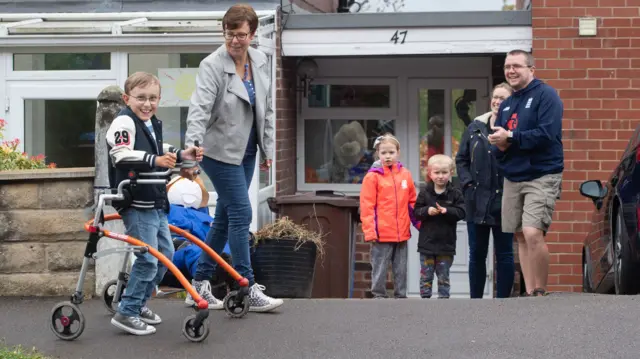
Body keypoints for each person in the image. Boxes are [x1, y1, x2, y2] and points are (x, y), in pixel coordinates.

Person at [182, 4, 282, 312]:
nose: (235, 41)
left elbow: (266, 111)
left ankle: (197, 285)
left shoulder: (260, 61)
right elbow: (198, 110)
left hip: (248, 151)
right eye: (229, 34)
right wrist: (191, 153)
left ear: (252, 35)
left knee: (224, 221)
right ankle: (246, 285)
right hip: (218, 151)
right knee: (241, 213)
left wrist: (267, 150)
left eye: (241, 35)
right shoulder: (212, 65)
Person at [106, 71, 203, 336]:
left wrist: (183, 155)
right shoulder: (123, 122)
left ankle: (137, 303)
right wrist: (155, 161)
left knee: (165, 255)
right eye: (141, 98)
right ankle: (127, 312)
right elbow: (121, 154)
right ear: (127, 98)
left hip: (155, 200)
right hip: (136, 200)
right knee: (148, 259)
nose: (147, 104)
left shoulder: (150, 123)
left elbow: (161, 148)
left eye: (153, 98)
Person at [488, 49, 564, 297]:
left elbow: (547, 134)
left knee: (533, 232)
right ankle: (530, 291)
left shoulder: (546, 95)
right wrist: (500, 145)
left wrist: (510, 136)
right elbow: (506, 146)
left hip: (542, 174)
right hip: (513, 176)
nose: (511, 71)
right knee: (519, 234)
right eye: (507, 66)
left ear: (531, 69)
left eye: (516, 66)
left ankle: (541, 290)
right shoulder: (508, 103)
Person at [455, 82, 515, 299]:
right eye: (495, 97)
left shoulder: (514, 129)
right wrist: (468, 184)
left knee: (505, 254)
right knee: (477, 254)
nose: (498, 102)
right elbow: (461, 159)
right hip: (476, 200)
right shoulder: (475, 127)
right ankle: (475, 301)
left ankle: (503, 302)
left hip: (505, 199)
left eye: (503, 98)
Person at [359, 133, 418, 299]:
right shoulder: (372, 177)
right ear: (378, 153)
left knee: (401, 268)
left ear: (398, 152)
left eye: (391, 152)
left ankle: (401, 296)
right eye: (383, 152)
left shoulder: (405, 174)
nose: (387, 156)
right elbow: (367, 206)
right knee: (380, 267)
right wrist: (370, 231)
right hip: (381, 234)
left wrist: (420, 223)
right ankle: (379, 295)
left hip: (402, 233)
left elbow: (412, 202)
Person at [413, 155, 465, 299]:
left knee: (443, 278)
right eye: (437, 173)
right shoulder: (424, 193)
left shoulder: (455, 193)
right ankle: (425, 302)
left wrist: (447, 211)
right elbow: (416, 212)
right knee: (426, 277)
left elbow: (462, 212)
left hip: (446, 245)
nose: (440, 176)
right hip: (427, 244)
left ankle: (443, 304)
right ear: (430, 173)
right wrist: (427, 211)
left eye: (444, 172)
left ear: (451, 172)